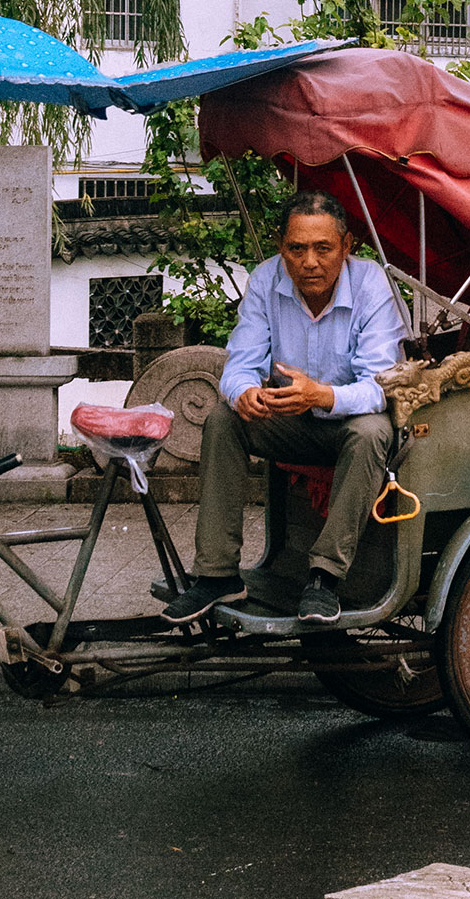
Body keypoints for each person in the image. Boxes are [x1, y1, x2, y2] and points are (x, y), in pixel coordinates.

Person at [160, 190, 407, 625]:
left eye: (323, 248)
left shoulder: (371, 285)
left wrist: (322, 395)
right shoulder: (265, 280)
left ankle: (325, 576)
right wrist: (244, 393)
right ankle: (217, 573)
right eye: (297, 249)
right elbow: (239, 364)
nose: (309, 262)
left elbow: (380, 387)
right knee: (224, 419)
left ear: (346, 247)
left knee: (372, 431)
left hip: (352, 425)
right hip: (292, 422)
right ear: (282, 247)